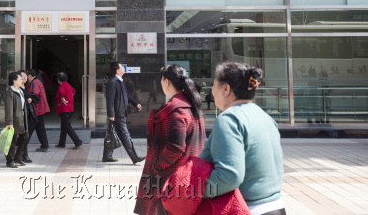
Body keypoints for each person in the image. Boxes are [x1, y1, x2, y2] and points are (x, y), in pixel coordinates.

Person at [199, 62, 285, 215]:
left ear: (225, 89)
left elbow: (229, 176)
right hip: (275, 206)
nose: (211, 90)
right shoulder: (264, 116)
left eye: (214, 85)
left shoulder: (229, 119)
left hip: (249, 208)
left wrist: (194, 190)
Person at [134, 64, 206, 215]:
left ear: (166, 82)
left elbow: (175, 148)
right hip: (188, 175)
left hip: (169, 178)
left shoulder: (175, 109)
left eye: (161, 80)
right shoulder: (191, 106)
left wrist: (157, 165)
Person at [102, 61, 145, 164]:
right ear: (117, 70)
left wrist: (136, 103)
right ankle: (134, 157)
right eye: (122, 67)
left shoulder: (120, 80)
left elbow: (127, 96)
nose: (123, 68)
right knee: (125, 136)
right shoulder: (113, 81)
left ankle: (107, 156)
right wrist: (111, 114)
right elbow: (110, 99)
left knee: (112, 132)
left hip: (120, 112)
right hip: (117, 114)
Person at [4, 72, 29, 168]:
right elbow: (9, 109)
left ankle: (18, 157)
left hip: (22, 119)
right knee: (12, 141)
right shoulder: (10, 92)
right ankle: (9, 160)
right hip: (14, 120)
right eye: (19, 79)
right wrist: (9, 122)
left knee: (25, 137)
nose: (22, 80)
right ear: (14, 81)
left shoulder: (20, 91)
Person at [54, 72, 83, 149]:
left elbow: (61, 92)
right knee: (64, 126)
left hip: (64, 109)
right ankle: (61, 143)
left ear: (58, 80)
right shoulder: (68, 85)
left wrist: (63, 99)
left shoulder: (61, 86)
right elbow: (73, 91)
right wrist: (69, 97)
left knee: (67, 126)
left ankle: (77, 141)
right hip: (70, 108)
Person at [27, 68, 50, 152]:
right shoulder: (38, 81)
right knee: (40, 129)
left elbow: (34, 94)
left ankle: (21, 146)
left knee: (29, 129)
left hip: (36, 109)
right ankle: (45, 145)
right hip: (40, 109)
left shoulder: (34, 83)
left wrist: (29, 100)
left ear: (30, 76)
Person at [18, 70, 38, 163]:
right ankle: (23, 155)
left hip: (28, 114)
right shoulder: (17, 89)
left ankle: (20, 154)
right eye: (22, 76)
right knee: (25, 136)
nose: (24, 77)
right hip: (22, 115)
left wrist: (31, 99)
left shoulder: (25, 87)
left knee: (25, 136)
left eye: (25, 75)